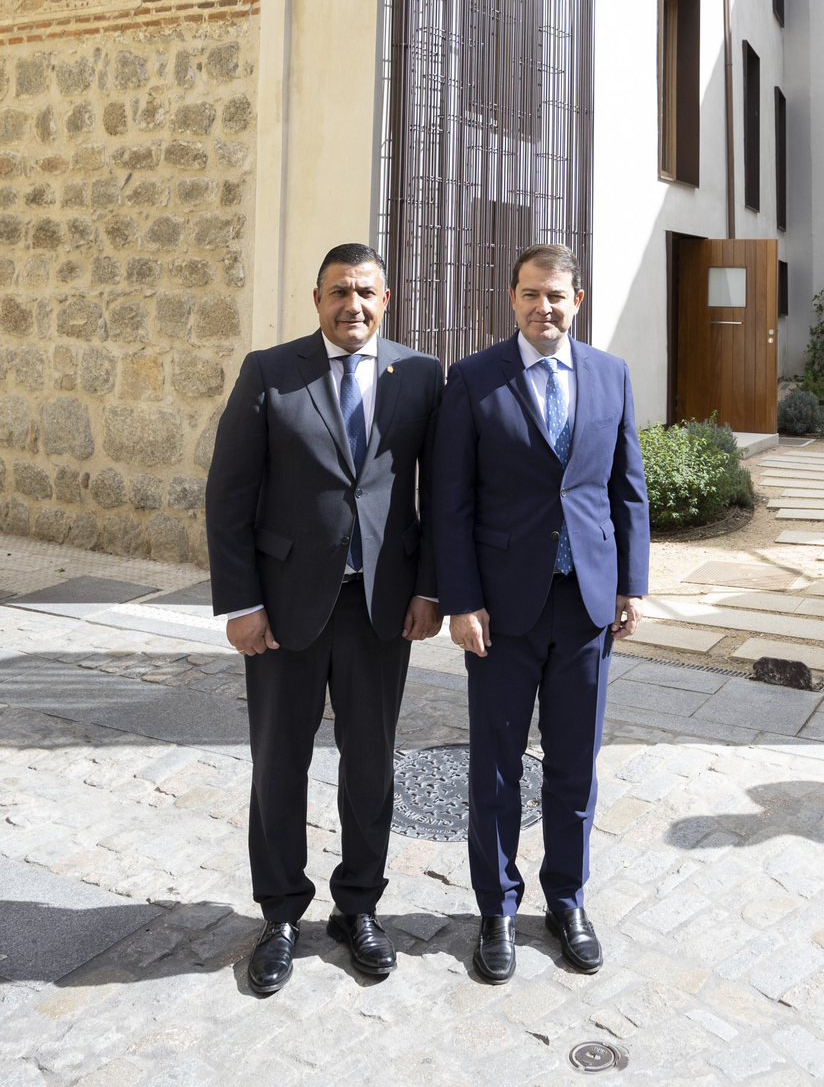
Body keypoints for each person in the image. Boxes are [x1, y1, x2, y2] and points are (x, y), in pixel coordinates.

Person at [205, 242, 442, 996]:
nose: (354, 305)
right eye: (339, 291)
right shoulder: (270, 371)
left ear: (387, 296)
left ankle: (359, 908)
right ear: (317, 299)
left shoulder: (422, 378)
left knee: (370, 768)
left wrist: (429, 590)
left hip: (379, 608)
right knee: (280, 766)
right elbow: (229, 495)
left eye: (366, 292)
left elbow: (438, 498)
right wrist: (241, 604)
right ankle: (279, 914)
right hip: (282, 610)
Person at [431, 242, 650, 984]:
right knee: (495, 770)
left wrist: (632, 583)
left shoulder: (611, 375)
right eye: (530, 294)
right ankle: (495, 907)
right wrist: (461, 601)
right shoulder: (473, 379)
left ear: (576, 300)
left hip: (586, 605)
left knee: (574, 767)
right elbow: (450, 503)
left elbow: (627, 491)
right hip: (501, 612)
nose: (542, 308)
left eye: (556, 296)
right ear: (513, 298)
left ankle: (566, 899)